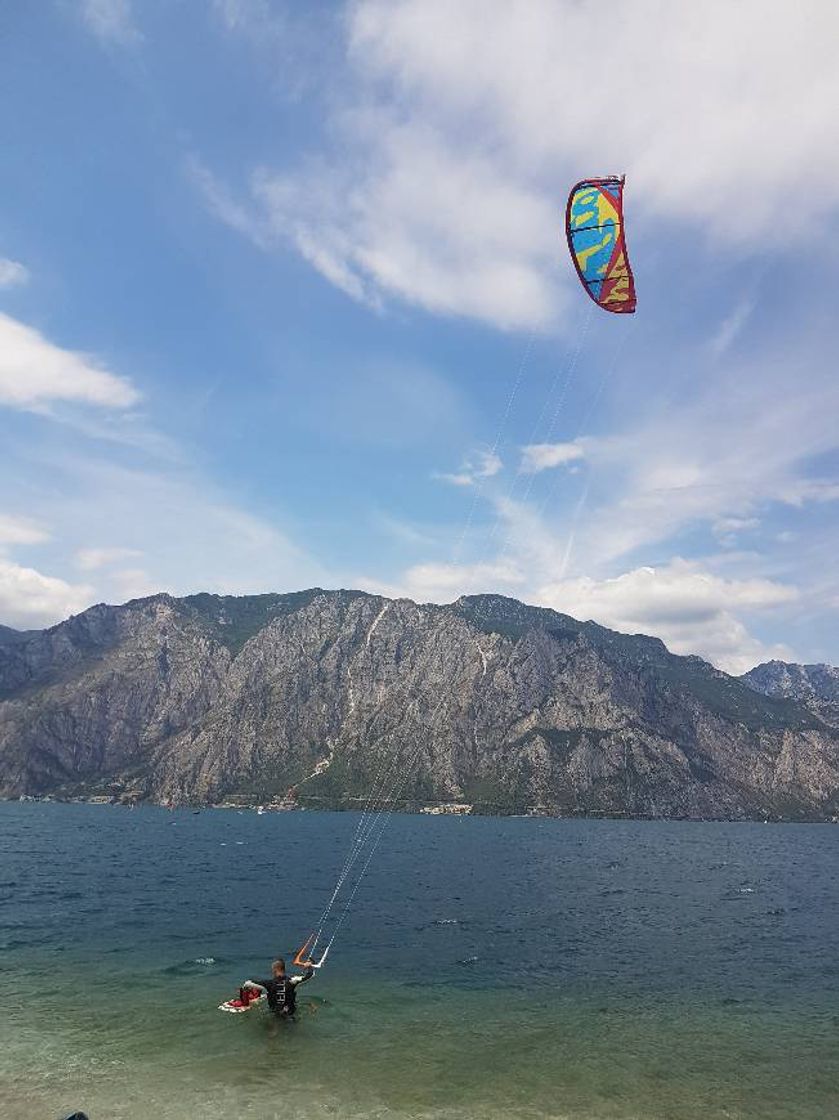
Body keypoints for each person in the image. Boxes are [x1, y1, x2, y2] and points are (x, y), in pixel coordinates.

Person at [242, 957, 314, 1019]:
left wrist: (245, 990)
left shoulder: (268, 983)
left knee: (274, 1029)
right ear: (283, 969)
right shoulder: (293, 981)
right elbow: (310, 975)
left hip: (275, 1014)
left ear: (275, 969)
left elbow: (247, 983)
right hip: (290, 1013)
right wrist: (309, 966)